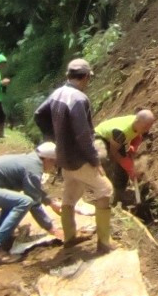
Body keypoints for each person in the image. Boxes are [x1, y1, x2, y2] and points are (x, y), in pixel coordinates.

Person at [34, 58, 115, 254]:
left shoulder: (57, 93)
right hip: (79, 157)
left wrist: (53, 138)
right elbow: (83, 134)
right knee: (105, 190)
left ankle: (70, 238)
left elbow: (39, 114)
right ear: (86, 77)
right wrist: (94, 159)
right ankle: (104, 243)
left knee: (71, 193)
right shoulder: (79, 99)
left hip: (63, 156)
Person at [0, 142, 64, 266]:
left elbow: (33, 189)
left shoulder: (30, 160)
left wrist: (51, 203)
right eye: (54, 163)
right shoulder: (33, 169)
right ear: (48, 159)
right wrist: (51, 228)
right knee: (24, 201)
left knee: (14, 199)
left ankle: (1, 238)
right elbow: (34, 202)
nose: (53, 167)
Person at [94, 110, 156, 205]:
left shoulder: (138, 124)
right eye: (145, 127)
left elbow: (137, 135)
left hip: (116, 141)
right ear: (137, 121)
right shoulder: (121, 131)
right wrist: (130, 168)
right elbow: (114, 152)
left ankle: (118, 197)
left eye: (148, 127)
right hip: (100, 137)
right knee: (105, 159)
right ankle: (105, 194)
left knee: (122, 172)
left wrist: (132, 149)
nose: (147, 130)